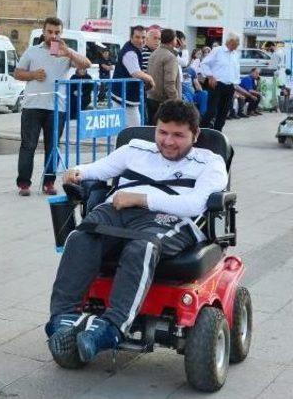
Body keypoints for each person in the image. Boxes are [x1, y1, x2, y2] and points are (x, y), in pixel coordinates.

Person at [45, 100, 227, 366]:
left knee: (141, 247)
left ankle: (112, 328)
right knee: (81, 237)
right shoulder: (134, 150)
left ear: (195, 135)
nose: (168, 141)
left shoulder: (210, 162)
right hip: (117, 210)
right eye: (162, 132)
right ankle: (61, 319)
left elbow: (195, 204)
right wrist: (77, 172)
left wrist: (140, 199)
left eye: (178, 135)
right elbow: (99, 168)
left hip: (170, 218)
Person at [14, 16, 91, 197]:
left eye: (57, 32)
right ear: (43, 32)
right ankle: (24, 184)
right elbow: (17, 73)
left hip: (57, 108)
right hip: (33, 105)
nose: (53, 36)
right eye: (49, 32)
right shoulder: (33, 51)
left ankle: (49, 182)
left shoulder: (65, 53)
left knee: (53, 146)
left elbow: (85, 65)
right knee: (28, 145)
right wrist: (33, 74)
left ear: (61, 33)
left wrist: (68, 52)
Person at [112, 26, 154, 127]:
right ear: (131, 37)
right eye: (137, 37)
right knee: (133, 128)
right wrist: (150, 79)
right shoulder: (130, 52)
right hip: (124, 96)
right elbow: (135, 72)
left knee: (126, 128)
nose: (141, 40)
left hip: (125, 95)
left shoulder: (133, 49)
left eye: (143, 37)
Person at [200, 32, 241, 131]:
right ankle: (201, 131)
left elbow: (235, 71)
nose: (238, 45)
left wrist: (235, 85)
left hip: (229, 86)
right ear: (230, 42)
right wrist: (210, 76)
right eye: (237, 43)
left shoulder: (235, 54)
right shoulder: (217, 51)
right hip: (217, 85)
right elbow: (204, 63)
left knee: (223, 112)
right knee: (212, 111)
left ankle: (217, 133)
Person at [146, 28, 181, 124]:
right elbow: (170, 82)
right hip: (163, 101)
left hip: (151, 96)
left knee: (152, 129)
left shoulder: (154, 53)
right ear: (173, 40)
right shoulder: (170, 57)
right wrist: (176, 102)